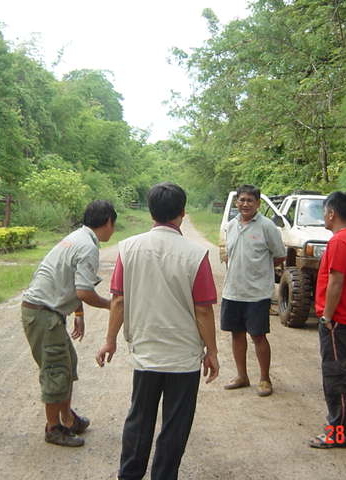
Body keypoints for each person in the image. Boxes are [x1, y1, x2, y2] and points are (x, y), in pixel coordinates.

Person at [96, 182, 219, 480]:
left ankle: (129, 475)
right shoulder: (196, 254)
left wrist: (110, 340)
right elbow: (203, 310)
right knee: (175, 425)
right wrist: (212, 351)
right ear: (182, 212)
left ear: (151, 212)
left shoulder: (129, 248)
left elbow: (119, 300)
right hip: (183, 357)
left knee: (139, 419)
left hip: (146, 351)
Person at [22, 200, 116, 447]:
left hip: (44, 312)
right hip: (43, 314)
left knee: (67, 363)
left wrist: (79, 313)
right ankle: (54, 428)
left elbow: (70, 282)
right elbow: (84, 291)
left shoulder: (77, 238)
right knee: (56, 369)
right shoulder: (88, 247)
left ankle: (68, 418)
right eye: (113, 224)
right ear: (108, 222)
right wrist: (111, 305)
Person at [309, 191, 346, 449]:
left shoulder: (340, 241)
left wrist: (327, 317)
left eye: (325, 212)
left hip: (338, 322)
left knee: (337, 377)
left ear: (332, 213)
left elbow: (336, 281)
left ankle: (338, 433)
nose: (324, 217)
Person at [221, 184, 286, 397]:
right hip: (232, 291)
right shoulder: (231, 226)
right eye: (242, 200)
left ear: (258, 203)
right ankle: (242, 376)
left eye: (250, 200)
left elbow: (279, 255)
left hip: (257, 293)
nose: (245, 204)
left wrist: (260, 270)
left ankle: (265, 379)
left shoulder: (267, 226)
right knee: (236, 334)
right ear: (236, 202)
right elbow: (229, 255)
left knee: (258, 336)